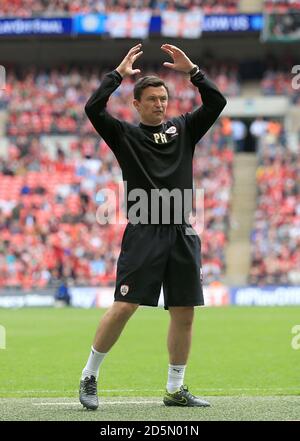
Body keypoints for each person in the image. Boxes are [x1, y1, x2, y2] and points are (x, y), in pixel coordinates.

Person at [79, 43, 227, 410]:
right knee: (125, 305)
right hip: (144, 229)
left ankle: (175, 388)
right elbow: (92, 108)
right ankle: (89, 376)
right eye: (152, 99)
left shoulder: (185, 128)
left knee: (184, 311)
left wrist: (193, 71)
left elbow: (217, 103)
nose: (160, 104)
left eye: (163, 98)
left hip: (181, 231)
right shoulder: (124, 134)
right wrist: (117, 75)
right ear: (136, 104)